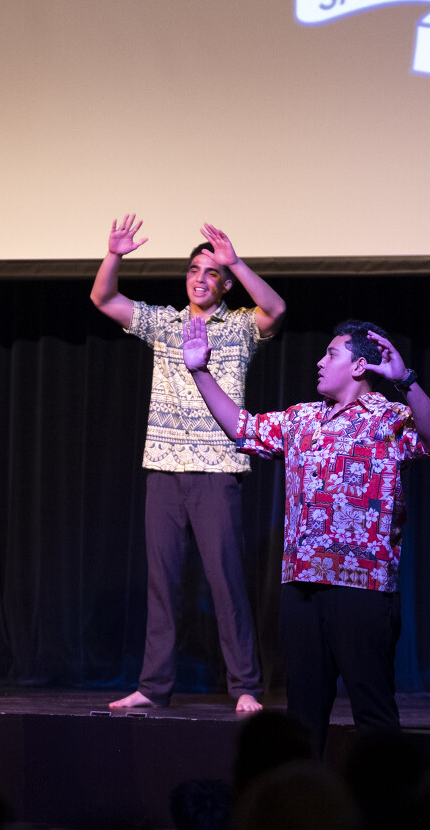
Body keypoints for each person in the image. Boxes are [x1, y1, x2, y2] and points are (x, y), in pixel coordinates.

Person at [182, 316, 430, 748]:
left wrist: (407, 381)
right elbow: (242, 427)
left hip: (363, 589)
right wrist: (200, 372)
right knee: (303, 716)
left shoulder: (389, 417)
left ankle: (385, 791)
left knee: (374, 711)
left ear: (359, 366)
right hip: (302, 587)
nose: (320, 362)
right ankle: (303, 790)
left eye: (331, 353)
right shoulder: (301, 419)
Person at [90, 216, 286, 713]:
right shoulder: (165, 323)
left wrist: (235, 261)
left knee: (226, 582)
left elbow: (276, 309)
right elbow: (103, 299)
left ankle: (245, 686)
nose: (200, 279)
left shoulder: (239, 326)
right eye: (194, 270)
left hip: (217, 469)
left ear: (225, 284)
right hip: (164, 467)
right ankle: (154, 686)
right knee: (162, 583)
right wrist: (114, 255)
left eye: (211, 273)